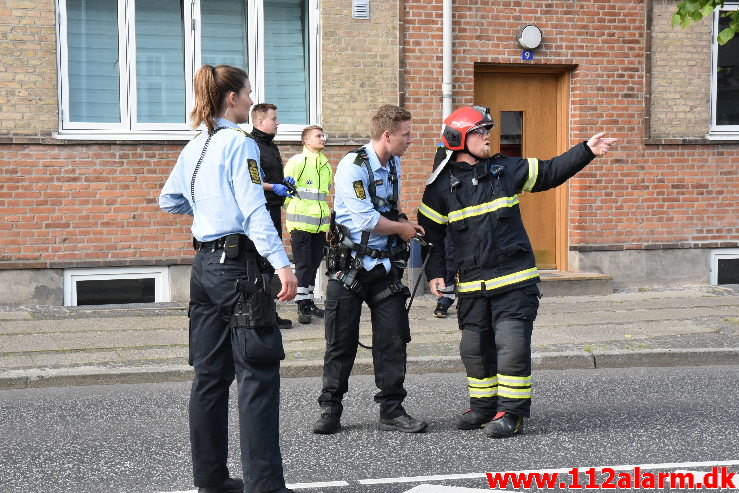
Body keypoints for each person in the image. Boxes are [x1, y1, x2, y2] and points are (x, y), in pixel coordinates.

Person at [417, 105, 616, 438]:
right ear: (459, 139)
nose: (487, 137)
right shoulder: (439, 187)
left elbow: (551, 171)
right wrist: (436, 272)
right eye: (480, 132)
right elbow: (431, 233)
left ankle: (511, 413)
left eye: (487, 131)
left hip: (514, 279)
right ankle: (483, 408)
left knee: (511, 346)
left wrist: (586, 151)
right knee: (474, 348)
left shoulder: (505, 168)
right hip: (472, 286)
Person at [159, 64, 298, 493]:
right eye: (249, 93)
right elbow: (255, 210)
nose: (252, 100)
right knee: (257, 376)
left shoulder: (195, 144)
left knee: (209, 377)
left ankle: (212, 481)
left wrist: (207, 212)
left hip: (204, 268)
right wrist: (283, 264)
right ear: (233, 99)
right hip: (238, 268)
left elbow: (170, 200)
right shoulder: (241, 144)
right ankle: (265, 487)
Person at [313, 104, 428, 435]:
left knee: (393, 339)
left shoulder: (394, 164)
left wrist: (404, 223)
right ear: (387, 135)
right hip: (348, 269)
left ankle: (391, 410)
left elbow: (387, 210)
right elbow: (364, 219)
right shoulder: (353, 166)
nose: (411, 139)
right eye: (406, 134)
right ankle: (330, 410)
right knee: (340, 342)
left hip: (383, 268)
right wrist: (402, 230)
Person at [250, 103, 293, 330]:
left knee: (268, 265)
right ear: (260, 122)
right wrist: (272, 187)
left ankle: (269, 312)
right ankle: (261, 315)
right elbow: (252, 180)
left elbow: (270, 176)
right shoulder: (252, 145)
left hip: (274, 208)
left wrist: (283, 184)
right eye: (274, 119)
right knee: (261, 263)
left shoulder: (270, 146)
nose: (277, 123)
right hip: (261, 211)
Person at [283, 125, 332, 324]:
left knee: (313, 265)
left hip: (319, 226)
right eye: (318, 136)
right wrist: (296, 212)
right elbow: (285, 192)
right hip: (301, 225)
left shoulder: (326, 165)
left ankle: (309, 301)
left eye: (323, 135)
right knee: (303, 265)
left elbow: (324, 194)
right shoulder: (298, 162)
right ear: (307, 141)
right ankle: (302, 305)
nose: (323, 138)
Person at [431, 144, 456, 319]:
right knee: (449, 255)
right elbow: (437, 177)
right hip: (448, 211)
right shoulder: (443, 149)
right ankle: (445, 299)